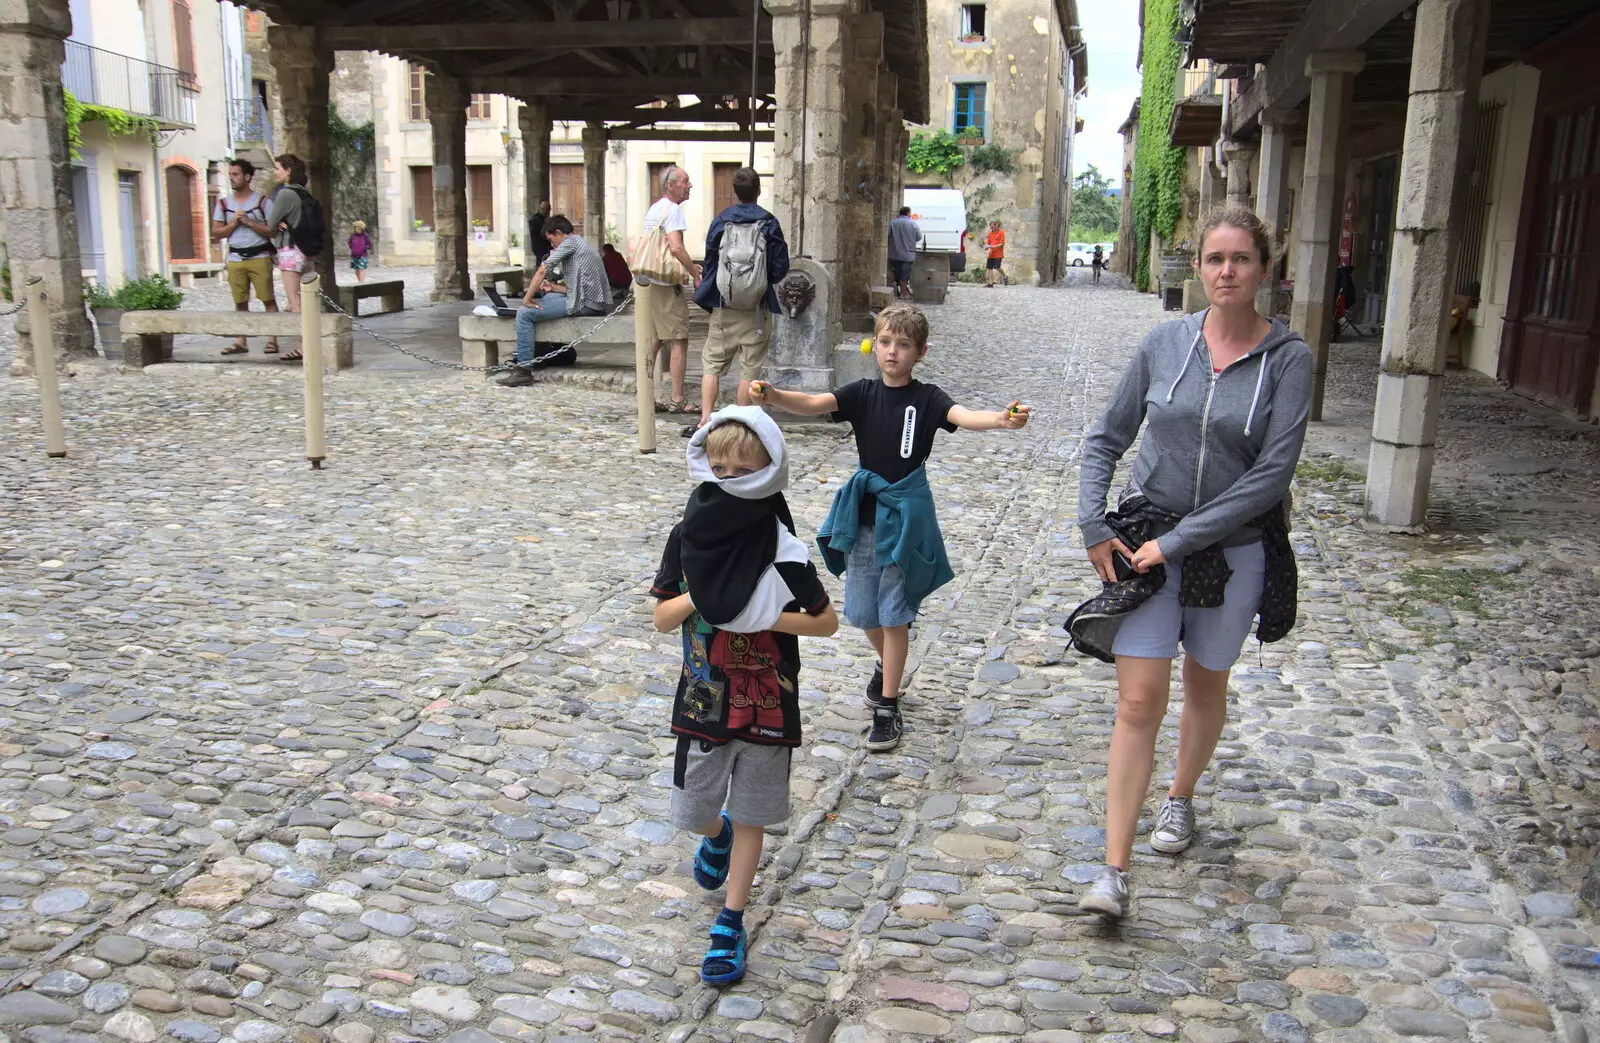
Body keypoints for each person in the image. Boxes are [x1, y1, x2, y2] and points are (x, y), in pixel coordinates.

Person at [1072, 205, 1312, 920]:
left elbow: (1271, 475)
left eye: (1241, 259)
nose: (1227, 271)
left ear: (1264, 269)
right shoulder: (1163, 343)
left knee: (1207, 682)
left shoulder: (1289, 360)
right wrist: (1092, 521)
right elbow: (1106, 436)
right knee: (1138, 699)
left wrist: (1180, 541)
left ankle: (1179, 799)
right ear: (1200, 267)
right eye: (1215, 259)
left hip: (1232, 554)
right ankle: (1114, 871)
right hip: (1146, 544)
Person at [749, 304, 1031, 752]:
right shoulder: (861, 393)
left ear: (919, 352)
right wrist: (775, 396)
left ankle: (888, 705)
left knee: (894, 614)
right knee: (863, 613)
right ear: (875, 345)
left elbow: (963, 415)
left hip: (905, 517)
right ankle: (889, 662)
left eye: (903, 345)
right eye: (885, 342)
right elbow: (815, 403)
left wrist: (1000, 418)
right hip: (863, 515)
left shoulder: (928, 398)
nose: (892, 352)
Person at [650, 407, 838, 986]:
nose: (729, 479)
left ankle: (731, 921)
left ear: (768, 471)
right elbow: (660, 617)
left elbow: (826, 622)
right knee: (694, 812)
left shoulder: (782, 546)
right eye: (720, 468)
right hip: (704, 697)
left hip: (767, 701)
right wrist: (707, 603)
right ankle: (717, 837)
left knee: (754, 813)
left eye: (743, 469)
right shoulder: (688, 537)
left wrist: (762, 616)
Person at [692, 167, 790, 425]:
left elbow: (711, 263)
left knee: (712, 365)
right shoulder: (769, 222)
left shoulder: (722, 220)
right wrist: (759, 280)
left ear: (735, 192)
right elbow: (781, 268)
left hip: (725, 306)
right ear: (759, 191)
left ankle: (705, 418)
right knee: (749, 369)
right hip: (757, 309)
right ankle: (739, 421)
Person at [497, 215, 612, 387]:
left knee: (525, 314)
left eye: (551, 240)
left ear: (558, 233)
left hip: (586, 305)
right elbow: (579, 288)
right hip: (591, 301)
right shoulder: (580, 243)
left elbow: (543, 271)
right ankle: (538, 357)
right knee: (549, 297)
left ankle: (523, 370)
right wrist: (553, 287)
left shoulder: (569, 244)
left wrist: (526, 299)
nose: (552, 245)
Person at [638, 166, 702, 415]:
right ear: (670, 185)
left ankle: (644, 397)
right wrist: (694, 272)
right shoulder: (673, 210)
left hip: (651, 282)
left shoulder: (655, 208)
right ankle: (677, 399)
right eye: (685, 181)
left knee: (654, 341)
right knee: (679, 340)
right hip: (666, 285)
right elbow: (675, 248)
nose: (690, 185)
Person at [211, 158, 280, 357]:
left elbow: (272, 231)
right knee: (239, 301)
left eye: (236, 174)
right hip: (235, 258)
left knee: (267, 298)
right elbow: (216, 232)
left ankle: (272, 339)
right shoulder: (224, 204)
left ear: (247, 177)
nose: (231, 178)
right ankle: (240, 341)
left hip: (259, 255)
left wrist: (249, 222)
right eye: (230, 174)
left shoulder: (263, 202)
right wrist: (233, 224)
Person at [264, 153, 316, 362]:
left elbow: (270, 225)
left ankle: (303, 347)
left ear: (288, 171)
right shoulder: (305, 193)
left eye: (277, 168)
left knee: (295, 301)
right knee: (306, 300)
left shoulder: (285, 194)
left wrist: (278, 223)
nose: (274, 172)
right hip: (305, 250)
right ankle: (306, 344)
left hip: (290, 249)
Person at [887, 206, 921, 299]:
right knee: (905, 274)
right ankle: (903, 293)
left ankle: (900, 291)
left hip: (895, 253)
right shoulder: (913, 224)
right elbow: (919, 237)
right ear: (907, 213)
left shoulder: (892, 223)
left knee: (897, 273)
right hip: (908, 254)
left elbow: (887, 234)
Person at [528, 201, 552, 270]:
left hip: (544, 246)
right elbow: (542, 232)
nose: (548, 212)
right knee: (540, 264)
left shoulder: (544, 218)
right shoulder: (536, 219)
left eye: (549, 210)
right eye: (547, 210)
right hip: (539, 246)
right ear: (542, 209)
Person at [984, 220, 1007, 287]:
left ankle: (1005, 275)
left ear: (996, 226)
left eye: (992, 227)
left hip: (998, 253)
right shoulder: (990, 233)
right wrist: (986, 247)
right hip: (991, 254)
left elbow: (1001, 244)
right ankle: (990, 283)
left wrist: (991, 246)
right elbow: (988, 243)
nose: (991, 229)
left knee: (997, 267)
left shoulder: (1001, 232)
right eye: (990, 227)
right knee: (989, 268)